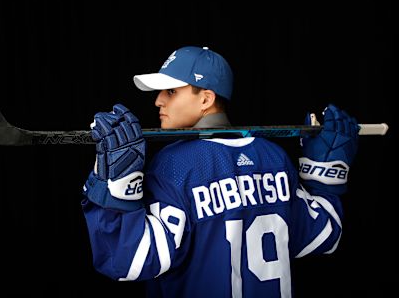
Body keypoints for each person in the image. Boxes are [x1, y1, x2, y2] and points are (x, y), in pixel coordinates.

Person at [81, 46, 359, 298]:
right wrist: (325, 176)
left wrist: (113, 186)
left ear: (206, 99)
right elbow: (322, 234)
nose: (158, 102)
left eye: (171, 91)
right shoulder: (273, 156)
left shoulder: (174, 165)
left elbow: (129, 261)